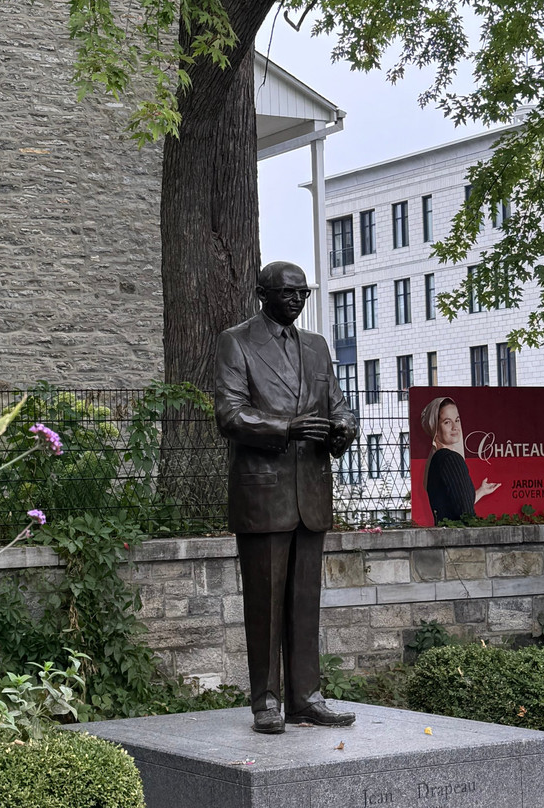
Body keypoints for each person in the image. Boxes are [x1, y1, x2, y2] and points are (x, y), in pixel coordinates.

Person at [214, 261, 359, 735]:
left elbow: (337, 406)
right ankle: (266, 700)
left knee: (304, 602)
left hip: (310, 491)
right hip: (264, 493)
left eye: (303, 293)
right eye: (287, 292)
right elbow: (230, 414)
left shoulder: (317, 347)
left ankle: (306, 697)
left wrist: (344, 430)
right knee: (265, 604)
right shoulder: (236, 341)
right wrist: (286, 429)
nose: (297, 300)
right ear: (262, 293)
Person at [420, 397, 500, 524]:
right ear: (435, 427)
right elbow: (466, 513)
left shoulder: (436, 459)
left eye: (457, 420)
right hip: (458, 539)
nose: (455, 427)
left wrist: (481, 491)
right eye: (447, 422)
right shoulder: (451, 459)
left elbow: (453, 504)